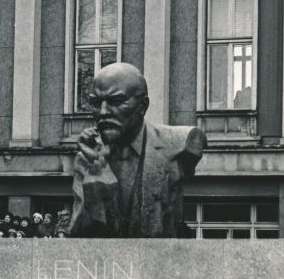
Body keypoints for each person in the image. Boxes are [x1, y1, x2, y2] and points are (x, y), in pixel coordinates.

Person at [70, 62, 206, 238]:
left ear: (142, 106)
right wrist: (96, 180)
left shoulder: (182, 143)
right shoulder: (87, 158)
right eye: (96, 103)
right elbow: (79, 237)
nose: (103, 112)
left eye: (116, 101)